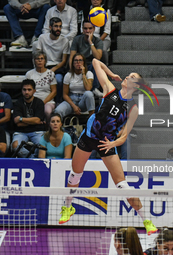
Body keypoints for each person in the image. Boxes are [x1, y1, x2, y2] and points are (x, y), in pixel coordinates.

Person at [58, 58, 158, 236]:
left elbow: (125, 135)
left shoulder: (133, 108)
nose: (128, 76)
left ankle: (147, 220)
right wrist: (111, 74)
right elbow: (96, 62)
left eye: (132, 77)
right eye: (129, 75)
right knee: (75, 174)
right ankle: (68, 207)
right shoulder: (109, 89)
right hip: (88, 137)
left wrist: (113, 143)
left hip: (107, 143)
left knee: (122, 185)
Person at [33, 17, 70, 104]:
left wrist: (52, 70)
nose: (58, 29)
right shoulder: (42, 38)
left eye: (60, 26)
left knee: (59, 80)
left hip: (57, 67)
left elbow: (64, 61)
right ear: (50, 27)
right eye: (56, 26)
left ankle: (58, 102)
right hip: (44, 65)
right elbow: (38, 55)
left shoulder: (65, 41)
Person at [54, 53, 95, 118]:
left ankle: (92, 121)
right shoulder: (68, 75)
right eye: (76, 60)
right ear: (73, 63)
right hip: (71, 99)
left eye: (80, 60)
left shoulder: (89, 74)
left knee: (89, 94)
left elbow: (88, 88)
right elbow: (65, 95)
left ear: (83, 63)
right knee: (58, 111)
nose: (78, 62)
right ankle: (60, 127)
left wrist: (83, 73)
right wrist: (74, 106)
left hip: (83, 100)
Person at [12, 79, 45, 158]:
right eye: (24, 90)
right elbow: (18, 123)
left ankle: (29, 159)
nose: (26, 92)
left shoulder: (39, 102)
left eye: (29, 90)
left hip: (37, 131)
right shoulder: (18, 103)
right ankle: (32, 159)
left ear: (34, 91)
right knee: (14, 146)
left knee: (42, 146)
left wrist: (21, 119)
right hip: (21, 132)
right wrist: (33, 121)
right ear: (21, 90)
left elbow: (37, 120)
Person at [69, 20, 103, 95]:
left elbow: (98, 56)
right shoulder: (77, 39)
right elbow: (72, 56)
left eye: (90, 28)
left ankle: (95, 88)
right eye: (85, 28)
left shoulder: (98, 41)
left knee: (96, 63)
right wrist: (71, 68)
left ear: (94, 29)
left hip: (91, 64)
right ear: (82, 29)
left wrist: (90, 42)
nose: (87, 31)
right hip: (79, 63)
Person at [25, 52, 57, 124]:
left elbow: (54, 91)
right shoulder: (29, 74)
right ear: (34, 61)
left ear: (45, 61)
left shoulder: (50, 73)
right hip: (33, 100)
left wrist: (42, 103)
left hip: (47, 101)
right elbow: (26, 89)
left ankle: (48, 130)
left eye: (42, 59)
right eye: (37, 59)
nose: (39, 61)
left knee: (47, 111)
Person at [82, 0, 112, 65]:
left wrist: (97, 42)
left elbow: (107, 31)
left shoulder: (106, 11)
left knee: (102, 49)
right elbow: (82, 29)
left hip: (103, 38)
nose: (95, 0)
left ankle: (105, 67)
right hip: (88, 36)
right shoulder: (86, 10)